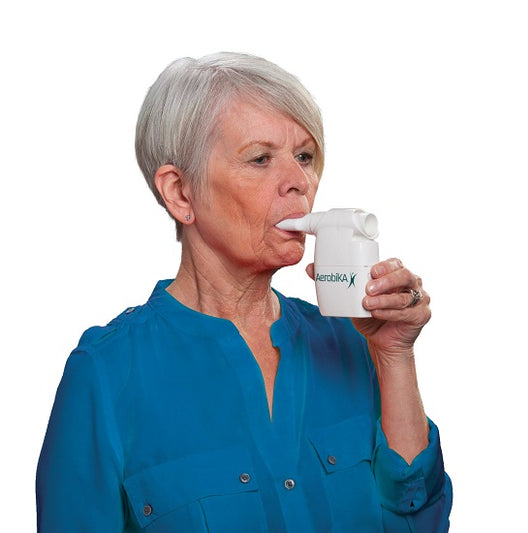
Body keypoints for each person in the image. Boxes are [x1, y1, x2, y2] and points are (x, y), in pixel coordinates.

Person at [36, 52, 452, 532]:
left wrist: (395, 356)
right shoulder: (106, 375)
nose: (299, 182)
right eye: (260, 159)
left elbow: (419, 522)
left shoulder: (351, 339)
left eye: (304, 157)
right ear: (180, 193)